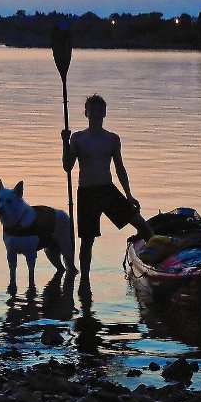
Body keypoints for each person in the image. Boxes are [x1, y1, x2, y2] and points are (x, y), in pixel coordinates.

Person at [61, 93, 153, 283]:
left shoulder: (112, 139)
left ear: (105, 113)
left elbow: (120, 168)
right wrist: (64, 142)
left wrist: (129, 194)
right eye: (91, 110)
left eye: (99, 110)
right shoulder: (77, 138)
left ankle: (158, 265)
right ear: (86, 113)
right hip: (87, 193)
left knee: (143, 226)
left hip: (108, 191)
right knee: (87, 241)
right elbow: (67, 167)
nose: (95, 113)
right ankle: (84, 280)